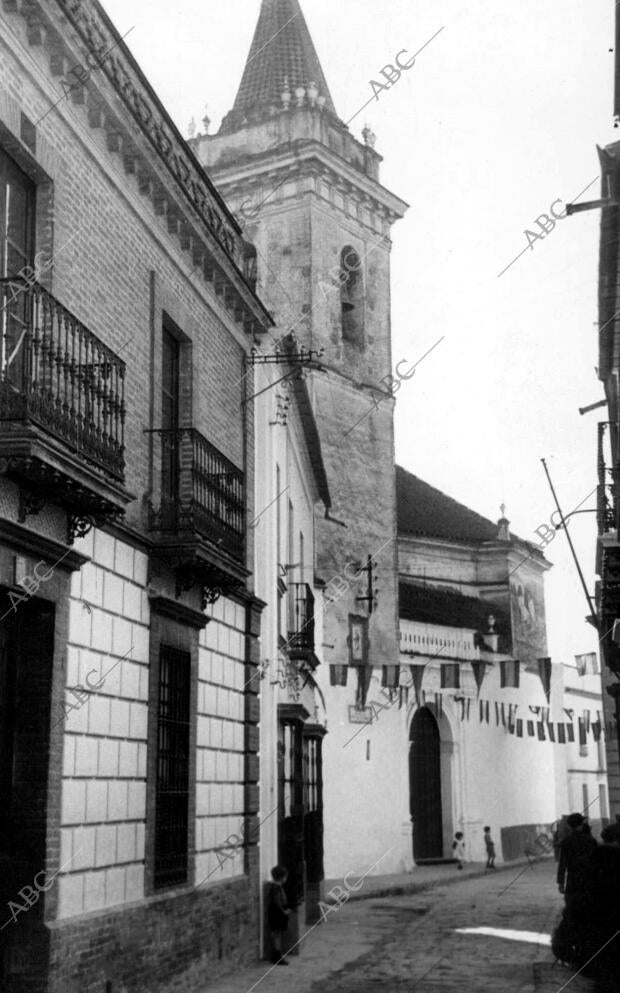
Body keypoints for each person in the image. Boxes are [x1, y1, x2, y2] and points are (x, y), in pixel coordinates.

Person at [556, 812, 598, 900]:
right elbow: (597, 862)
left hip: (572, 879)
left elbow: (562, 863)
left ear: (570, 826)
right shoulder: (591, 841)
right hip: (589, 879)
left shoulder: (566, 841)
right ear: (581, 824)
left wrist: (561, 882)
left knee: (572, 905)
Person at [266, 865, 291, 965]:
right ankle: (277, 955)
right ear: (282, 877)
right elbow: (277, 901)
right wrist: (284, 911)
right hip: (277, 913)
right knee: (277, 933)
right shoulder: (277, 888)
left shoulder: (275, 887)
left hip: (275, 912)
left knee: (277, 933)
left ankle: (276, 954)